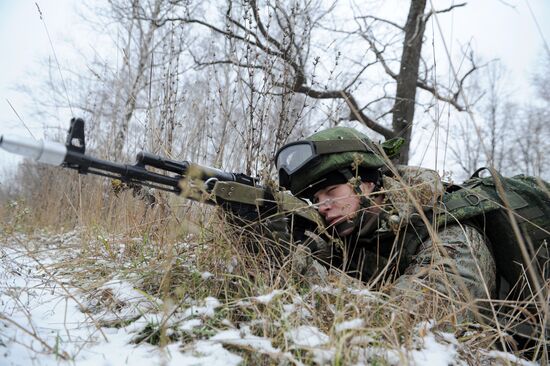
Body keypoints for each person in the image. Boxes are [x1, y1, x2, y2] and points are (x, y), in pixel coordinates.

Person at [274, 126, 497, 321]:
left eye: (331, 192)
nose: (322, 207)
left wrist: (302, 267)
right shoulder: (352, 236)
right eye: (316, 200)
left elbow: (412, 322)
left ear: (368, 184)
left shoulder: (452, 235)